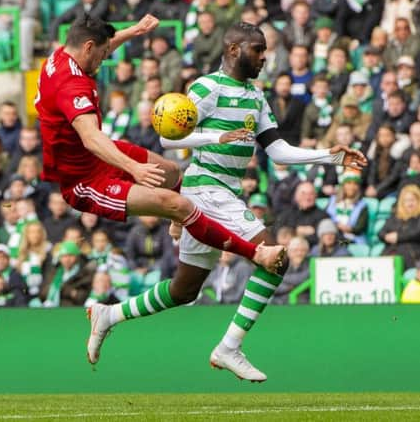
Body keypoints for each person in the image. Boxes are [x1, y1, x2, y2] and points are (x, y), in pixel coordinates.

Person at [86, 21, 367, 382]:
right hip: (206, 187)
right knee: (274, 258)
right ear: (234, 49)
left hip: (221, 191)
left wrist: (331, 156)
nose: (265, 57)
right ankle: (229, 347)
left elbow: (278, 150)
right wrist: (218, 137)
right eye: (258, 49)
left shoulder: (255, 96)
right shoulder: (208, 88)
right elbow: (170, 140)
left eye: (265, 50)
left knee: (184, 289)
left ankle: (108, 315)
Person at [36, 11, 288, 354]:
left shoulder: (62, 55)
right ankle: (254, 253)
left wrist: (135, 31)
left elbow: (99, 45)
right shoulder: (72, 84)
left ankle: (176, 228)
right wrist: (134, 169)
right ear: (88, 47)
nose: (106, 59)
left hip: (97, 156)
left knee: (170, 173)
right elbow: (91, 138)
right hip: (82, 179)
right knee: (181, 204)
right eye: (104, 53)